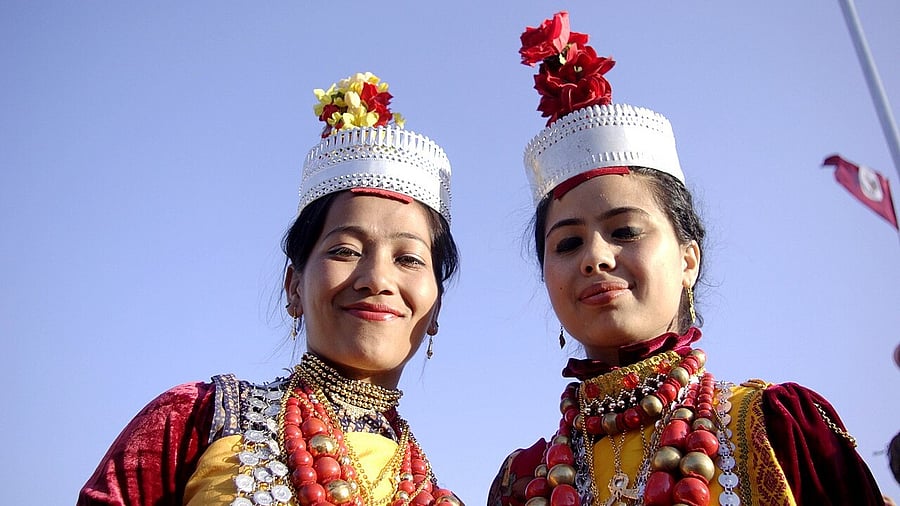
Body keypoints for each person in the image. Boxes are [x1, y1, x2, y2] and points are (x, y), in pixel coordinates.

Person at [488, 12, 884, 506]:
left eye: (624, 231)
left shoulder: (779, 428)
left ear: (688, 259)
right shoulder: (523, 482)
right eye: (567, 243)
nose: (595, 257)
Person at [79, 72, 464, 506]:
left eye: (408, 259)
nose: (375, 279)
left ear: (436, 309)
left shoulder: (433, 495)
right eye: (345, 250)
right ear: (294, 285)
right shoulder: (195, 420)